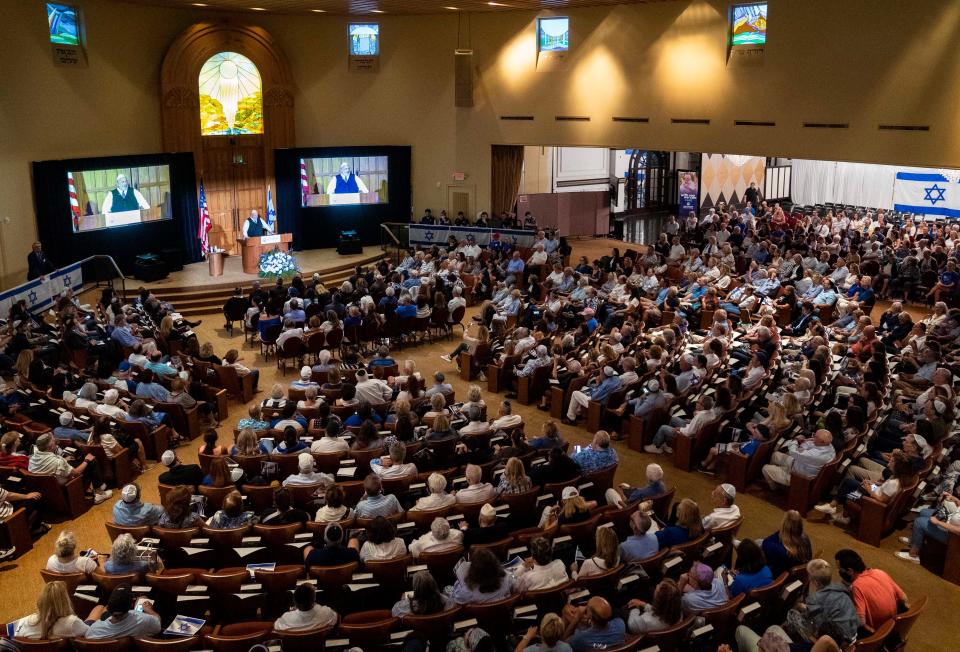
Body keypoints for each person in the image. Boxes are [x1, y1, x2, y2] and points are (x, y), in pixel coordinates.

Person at [834, 548, 908, 631]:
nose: (839, 571)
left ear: (850, 571)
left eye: (840, 569)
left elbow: (861, 622)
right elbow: (904, 598)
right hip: (894, 625)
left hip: (877, 632)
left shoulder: (857, 586)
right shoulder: (880, 572)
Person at [29, 433, 111, 505]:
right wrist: (86, 460)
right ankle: (99, 493)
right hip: (69, 484)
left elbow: (50, 466)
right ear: (50, 446)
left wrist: (64, 460)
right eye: (54, 441)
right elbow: (76, 473)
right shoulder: (57, 462)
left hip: (49, 489)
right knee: (91, 461)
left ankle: (97, 486)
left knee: (75, 461)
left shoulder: (32, 459)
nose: (56, 443)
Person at [11, 580, 89, 639]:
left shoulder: (29, 621)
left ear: (41, 601)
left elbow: (13, 635)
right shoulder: (72, 622)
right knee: (98, 609)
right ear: (65, 601)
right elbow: (90, 634)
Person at [762, 429, 836, 491]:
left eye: (815, 436)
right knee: (775, 455)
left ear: (822, 441)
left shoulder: (815, 455)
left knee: (765, 468)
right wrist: (802, 447)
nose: (813, 438)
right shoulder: (829, 446)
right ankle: (777, 478)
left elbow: (793, 452)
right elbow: (808, 443)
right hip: (800, 465)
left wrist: (795, 440)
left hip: (799, 478)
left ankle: (775, 489)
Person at [84, 585, 162, 639]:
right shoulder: (144, 620)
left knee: (99, 607)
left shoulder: (93, 630)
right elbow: (158, 624)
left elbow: (87, 636)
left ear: (109, 608)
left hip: (100, 629)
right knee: (142, 598)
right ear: (130, 606)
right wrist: (149, 610)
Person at [450, 547, 514, 604]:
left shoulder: (466, 592)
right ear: (495, 564)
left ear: (473, 570)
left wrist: (460, 580)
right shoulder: (507, 578)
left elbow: (456, 598)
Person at [562, 596, 626, 650]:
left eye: (587, 608)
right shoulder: (620, 625)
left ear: (590, 617)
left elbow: (564, 644)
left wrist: (576, 618)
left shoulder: (581, 638)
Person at [761, 510, 813, 577]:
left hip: (778, 577)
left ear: (784, 525)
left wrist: (782, 531)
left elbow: (765, 542)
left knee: (759, 543)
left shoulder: (779, 550)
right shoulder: (805, 538)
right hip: (796, 576)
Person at [274, 583, 338, 631]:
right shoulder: (326, 612)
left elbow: (276, 626)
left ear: (294, 602)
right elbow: (335, 616)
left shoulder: (286, 618)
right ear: (314, 599)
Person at [391, 571, 457, 618]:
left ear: (415, 590)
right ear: (434, 584)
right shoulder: (449, 602)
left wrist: (404, 601)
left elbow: (394, 612)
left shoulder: (402, 608)